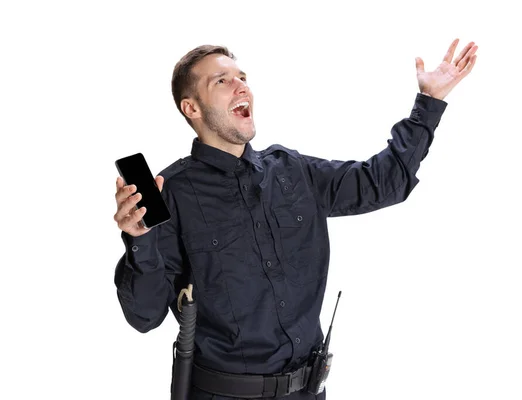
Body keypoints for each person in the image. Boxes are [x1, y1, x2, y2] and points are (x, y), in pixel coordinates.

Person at [113, 39, 478, 400]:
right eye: (221, 81)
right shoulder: (169, 193)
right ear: (191, 107)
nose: (241, 85)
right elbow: (144, 317)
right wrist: (140, 240)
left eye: (242, 76)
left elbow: (385, 183)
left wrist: (429, 103)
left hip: (307, 391)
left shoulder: (292, 171)